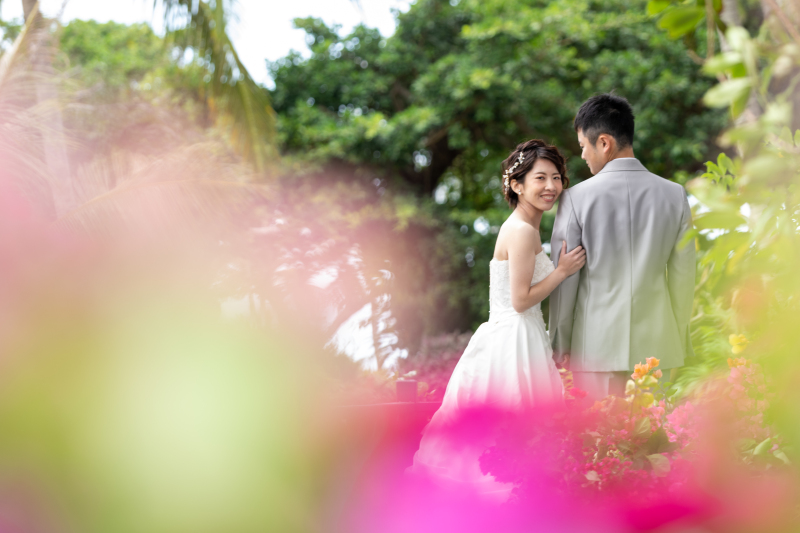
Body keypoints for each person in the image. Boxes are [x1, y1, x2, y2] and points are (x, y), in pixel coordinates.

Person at [408, 139, 586, 496]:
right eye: (540, 178)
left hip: (518, 333)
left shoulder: (525, 227)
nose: (551, 186)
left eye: (556, 177)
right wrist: (562, 271)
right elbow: (520, 300)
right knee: (516, 427)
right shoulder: (521, 231)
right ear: (516, 185)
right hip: (515, 336)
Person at [549, 93, 696, 402]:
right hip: (659, 350)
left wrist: (559, 344)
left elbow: (565, 281)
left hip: (595, 350)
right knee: (653, 447)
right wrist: (679, 339)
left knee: (599, 446)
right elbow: (684, 278)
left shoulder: (575, 199)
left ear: (604, 143)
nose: (583, 156)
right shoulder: (675, 195)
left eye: (583, 147)